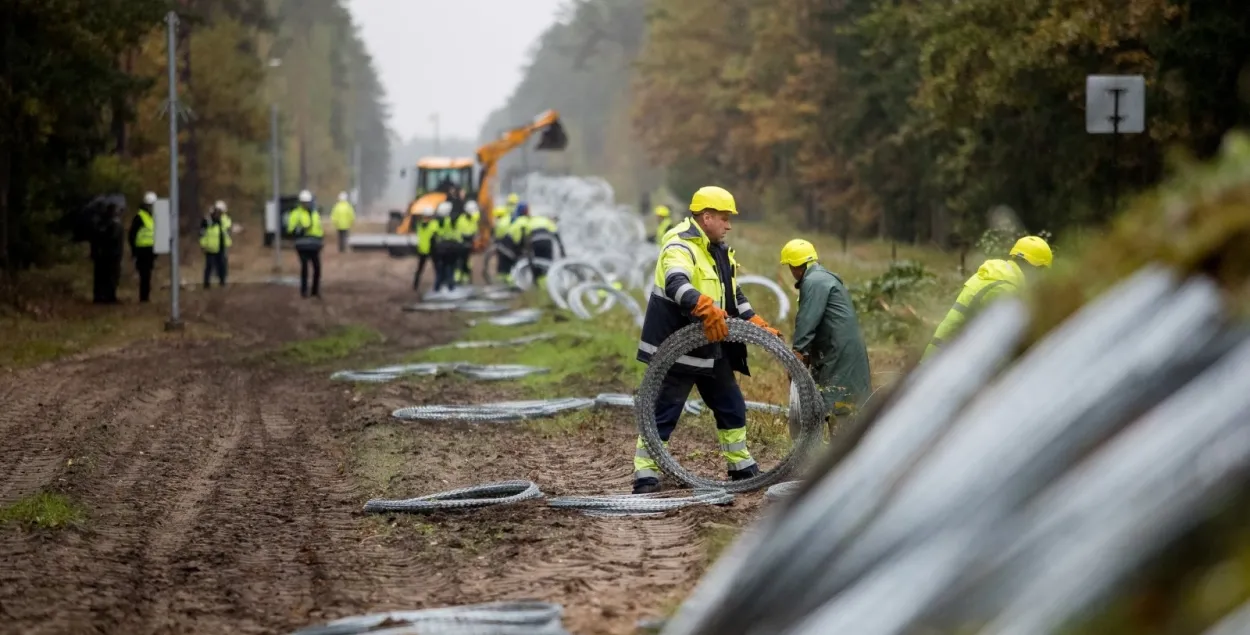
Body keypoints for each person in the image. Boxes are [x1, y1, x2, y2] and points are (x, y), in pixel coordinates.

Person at [631, 185, 784, 494]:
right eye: (724, 218)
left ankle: (740, 467)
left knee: (731, 406)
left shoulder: (719, 251)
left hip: (713, 347)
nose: (728, 225)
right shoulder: (679, 246)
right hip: (676, 350)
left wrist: (753, 320)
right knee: (664, 411)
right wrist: (702, 306)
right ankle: (645, 475)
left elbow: (732, 295)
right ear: (707, 216)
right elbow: (677, 283)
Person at [780, 239, 872, 437]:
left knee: (840, 404)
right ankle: (839, 451)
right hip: (838, 350)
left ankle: (841, 455)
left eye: (789, 266)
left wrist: (797, 354)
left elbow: (807, 320)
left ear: (796, 266)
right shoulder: (822, 277)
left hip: (839, 353)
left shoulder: (813, 282)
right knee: (839, 401)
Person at [924, 235, 1053, 358]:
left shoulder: (995, 274)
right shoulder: (1005, 288)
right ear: (1035, 267)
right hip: (950, 361)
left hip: (938, 358)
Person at [286, 189, 325, 298]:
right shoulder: (296, 214)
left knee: (317, 268)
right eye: (304, 202)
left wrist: (321, 239)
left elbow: (319, 228)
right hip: (302, 244)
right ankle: (304, 291)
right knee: (304, 267)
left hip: (314, 244)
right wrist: (299, 230)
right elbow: (290, 229)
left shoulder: (315, 213)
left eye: (307, 202)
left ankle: (315, 290)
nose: (306, 204)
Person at [91, 200, 124, 304]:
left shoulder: (100, 223)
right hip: (111, 254)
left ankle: (101, 296)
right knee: (110, 276)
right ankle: (108, 296)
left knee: (102, 276)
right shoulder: (112, 224)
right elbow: (113, 238)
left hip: (103, 254)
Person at [129, 192, 158, 303]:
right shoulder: (140, 217)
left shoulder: (152, 216)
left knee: (147, 274)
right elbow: (132, 235)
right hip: (142, 250)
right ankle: (144, 297)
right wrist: (134, 250)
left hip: (150, 250)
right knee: (144, 274)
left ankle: (145, 296)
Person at [526, 210, 565, 285]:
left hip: (535, 242)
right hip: (546, 241)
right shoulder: (546, 221)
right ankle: (546, 282)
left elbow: (527, 237)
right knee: (547, 262)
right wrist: (562, 250)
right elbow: (556, 234)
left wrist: (528, 250)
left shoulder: (530, 222)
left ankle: (538, 282)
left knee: (537, 261)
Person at [199, 203, 231, 288]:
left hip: (221, 246)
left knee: (222, 265)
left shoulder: (222, 220)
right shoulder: (207, 221)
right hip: (210, 247)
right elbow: (202, 233)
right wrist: (203, 245)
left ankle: (222, 282)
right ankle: (206, 283)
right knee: (209, 266)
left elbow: (227, 229)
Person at [432, 201, 460, 292]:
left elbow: (434, 233)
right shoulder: (450, 221)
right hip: (450, 248)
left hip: (440, 249)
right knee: (450, 269)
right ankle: (450, 288)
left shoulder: (436, 221)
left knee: (440, 270)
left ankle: (437, 288)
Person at [411, 207, 439, 291]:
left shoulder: (419, 225)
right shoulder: (434, 224)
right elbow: (437, 233)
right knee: (437, 269)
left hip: (422, 249)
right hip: (432, 249)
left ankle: (415, 285)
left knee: (420, 269)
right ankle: (438, 285)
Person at [456, 199, 480, 284]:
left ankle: (465, 276)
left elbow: (475, 231)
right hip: (461, 243)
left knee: (466, 260)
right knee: (460, 260)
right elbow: (458, 233)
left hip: (468, 242)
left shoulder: (473, 218)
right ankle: (458, 276)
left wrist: (473, 240)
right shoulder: (461, 219)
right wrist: (462, 242)